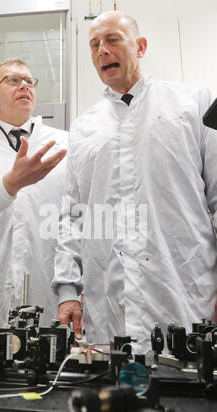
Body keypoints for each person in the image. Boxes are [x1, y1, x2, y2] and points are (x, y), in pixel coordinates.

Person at [52, 10, 217, 354]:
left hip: (183, 295)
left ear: (140, 46)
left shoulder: (193, 104)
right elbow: (73, 216)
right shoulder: (84, 128)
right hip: (108, 307)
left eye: (113, 40)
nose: (102, 51)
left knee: (186, 397)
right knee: (114, 399)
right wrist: (68, 291)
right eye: (94, 44)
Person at [0, 58, 67, 357]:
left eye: (29, 80)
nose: (24, 85)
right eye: (12, 80)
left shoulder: (64, 144)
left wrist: (71, 292)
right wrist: (9, 185)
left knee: (46, 382)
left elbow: (74, 221)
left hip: (48, 292)